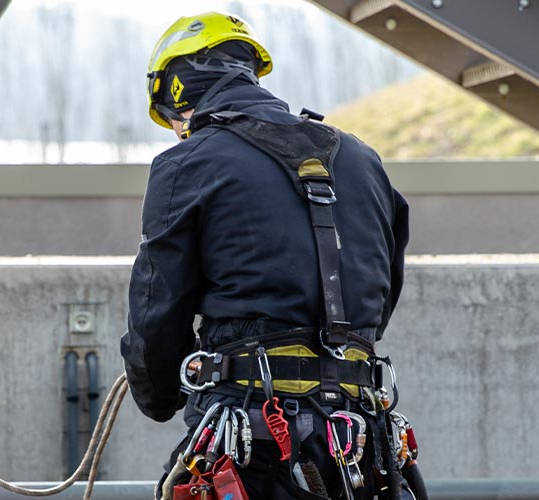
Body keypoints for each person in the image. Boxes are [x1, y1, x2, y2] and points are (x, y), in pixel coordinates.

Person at [120, 11, 420, 500]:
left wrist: (159, 394)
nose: (178, 130)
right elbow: (380, 294)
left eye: (174, 120)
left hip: (249, 437)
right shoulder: (363, 160)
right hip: (358, 437)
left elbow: (158, 311)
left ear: (178, 88)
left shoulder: (187, 163)